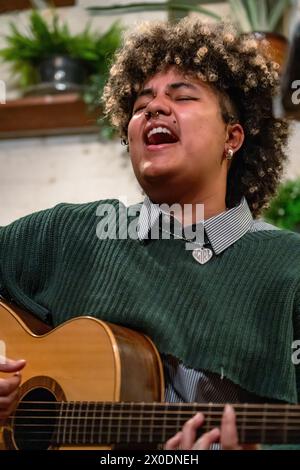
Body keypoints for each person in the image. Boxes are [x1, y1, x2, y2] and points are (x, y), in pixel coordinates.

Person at [0, 18, 300, 451]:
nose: (154, 109)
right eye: (141, 104)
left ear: (232, 137)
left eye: (182, 96)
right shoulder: (70, 235)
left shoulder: (287, 266)